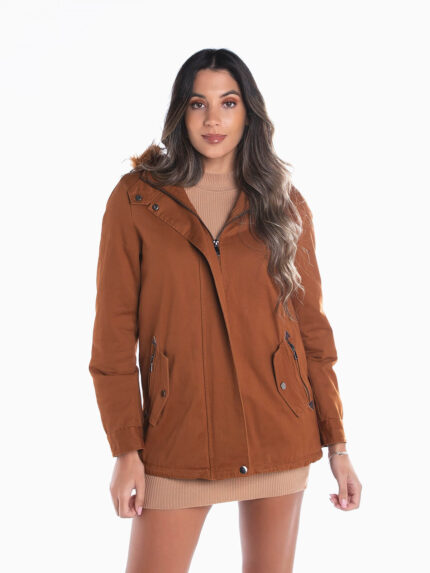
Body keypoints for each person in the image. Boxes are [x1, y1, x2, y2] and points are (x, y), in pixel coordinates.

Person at [89, 48, 362, 573]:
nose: (213, 119)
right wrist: (125, 450)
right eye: (199, 104)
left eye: (228, 103)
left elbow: (312, 330)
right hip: (179, 437)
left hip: (278, 430)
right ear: (181, 112)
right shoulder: (137, 200)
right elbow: (113, 337)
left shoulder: (283, 203)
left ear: (248, 113)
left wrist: (338, 444)